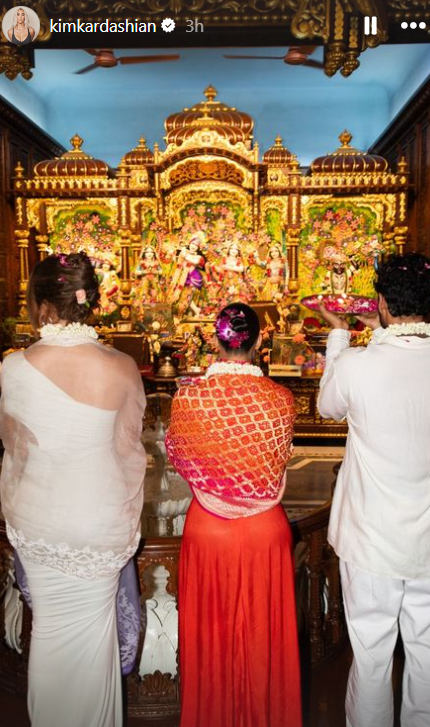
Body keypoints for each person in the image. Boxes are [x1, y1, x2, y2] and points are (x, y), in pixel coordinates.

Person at [0, 252, 146, 727]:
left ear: (41, 305)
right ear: (89, 302)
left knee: (48, 638)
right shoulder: (122, 367)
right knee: (96, 641)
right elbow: (128, 452)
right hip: (97, 525)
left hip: (40, 522)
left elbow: (14, 450)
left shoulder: (13, 367)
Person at [165, 303, 302, 727]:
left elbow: (178, 457)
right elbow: (276, 463)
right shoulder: (281, 401)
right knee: (264, 641)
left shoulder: (187, 397)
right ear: (260, 341)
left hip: (209, 529)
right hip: (265, 530)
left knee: (212, 642)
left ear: (216, 341)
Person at [317, 252, 430, 727]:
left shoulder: (357, 365)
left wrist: (342, 331)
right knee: (426, 656)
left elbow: (327, 408)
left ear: (381, 303)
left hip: (371, 538)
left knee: (371, 656)